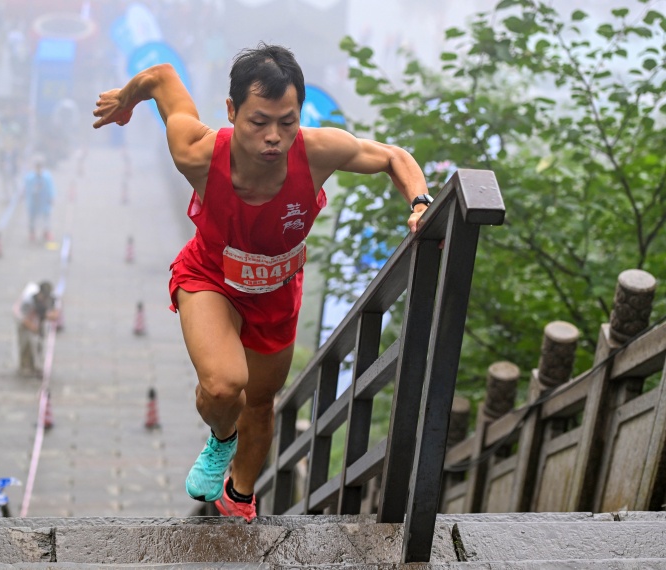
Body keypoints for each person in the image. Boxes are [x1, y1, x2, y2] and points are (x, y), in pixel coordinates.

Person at [92, 43, 433, 523]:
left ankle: (241, 495)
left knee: (260, 402)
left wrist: (420, 202)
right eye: (259, 122)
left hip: (275, 291)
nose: (274, 137)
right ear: (232, 112)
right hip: (210, 276)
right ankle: (220, 440)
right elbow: (162, 77)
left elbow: (394, 157)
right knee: (225, 385)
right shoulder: (197, 151)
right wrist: (126, 101)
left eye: (287, 122)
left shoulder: (317, 152)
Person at [13, 281, 58, 377]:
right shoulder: (28, 300)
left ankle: (36, 366)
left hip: (39, 319)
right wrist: (33, 327)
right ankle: (25, 366)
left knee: (39, 344)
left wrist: (47, 315)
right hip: (24, 319)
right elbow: (22, 318)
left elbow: (55, 314)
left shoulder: (51, 299)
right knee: (25, 343)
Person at [23, 157, 56, 242]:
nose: (39, 169)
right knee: (32, 218)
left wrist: (52, 197)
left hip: (44, 201)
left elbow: (51, 188)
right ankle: (32, 232)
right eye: (37, 167)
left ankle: (46, 231)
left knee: (46, 217)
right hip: (33, 202)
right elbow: (26, 188)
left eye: (40, 167)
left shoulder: (47, 177)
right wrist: (23, 195)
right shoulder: (30, 177)